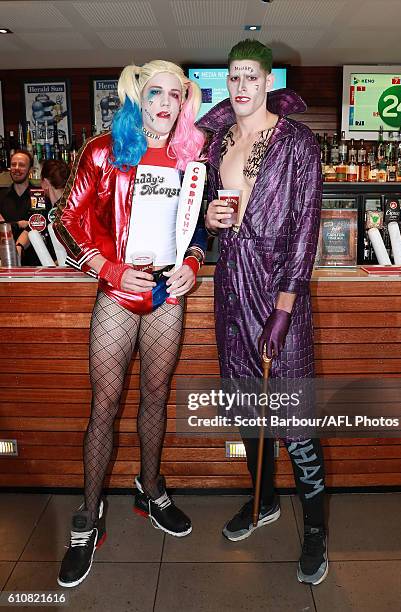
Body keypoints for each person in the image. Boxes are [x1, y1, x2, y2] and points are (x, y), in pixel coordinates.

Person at [54, 60, 206, 588]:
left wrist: (193, 263)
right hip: (119, 292)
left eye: (175, 94)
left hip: (167, 292)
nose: (165, 103)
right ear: (139, 97)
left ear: (185, 101)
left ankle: (150, 488)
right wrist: (108, 268)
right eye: (156, 92)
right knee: (105, 402)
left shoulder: (193, 155)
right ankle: (89, 516)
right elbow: (66, 219)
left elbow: (198, 227)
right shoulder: (104, 150)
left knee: (157, 395)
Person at [200, 39, 327, 585]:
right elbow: (203, 220)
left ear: (269, 81)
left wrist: (285, 305)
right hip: (231, 283)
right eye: (234, 76)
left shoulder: (298, 141)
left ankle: (316, 531)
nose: (242, 86)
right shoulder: (216, 141)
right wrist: (210, 220)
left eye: (251, 76)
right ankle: (262, 503)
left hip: (280, 291)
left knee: (294, 416)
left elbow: (306, 226)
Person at [19, 159, 70, 262]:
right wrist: (19, 247)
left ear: (46, 182)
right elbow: (32, 227)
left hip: (67, 270)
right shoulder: (42, 203)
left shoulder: (69, 207)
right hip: (47, 267)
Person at [0, 149, 32, 261]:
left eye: (22, 165)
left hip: (35, 263)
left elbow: (39, 226)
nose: (16, 168)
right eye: (13, 164)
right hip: (5, 260)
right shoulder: (1, 195)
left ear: (30, 170)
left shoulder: (39, 195)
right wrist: (18, 224)